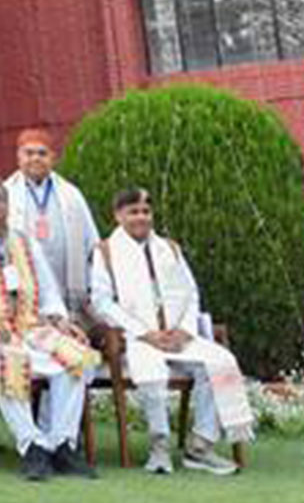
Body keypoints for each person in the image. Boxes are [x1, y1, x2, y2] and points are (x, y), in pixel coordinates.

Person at [0, 177, 99, 481]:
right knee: (5, 358)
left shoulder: (24, 243)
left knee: (77, 356)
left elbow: (48, 289)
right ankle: (32, 445)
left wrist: (59, 318)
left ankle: (62, 444)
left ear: (8, 206)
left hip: (29, 327)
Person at [90, 187, 253, 475]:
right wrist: (145, 333)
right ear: (118, 216)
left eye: (146, 211)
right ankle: (160, 446)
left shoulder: (169, 248)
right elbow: (102, 302)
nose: (141, 217)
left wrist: (184, 331)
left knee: (220, 362)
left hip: (178, 336)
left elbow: (190, 293)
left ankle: (200, 446)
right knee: (151, 371)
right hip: (139, 339)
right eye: (133, 212)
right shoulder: (106, 251)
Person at [2, 129, 98, 320]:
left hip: (66, 278)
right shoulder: (5, 193)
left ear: (53, 158)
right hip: (25, 280)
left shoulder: (71, 194)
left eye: (42, 153)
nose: (36, 158)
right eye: (29, 153)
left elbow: (91, 244)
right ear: (18, 157)